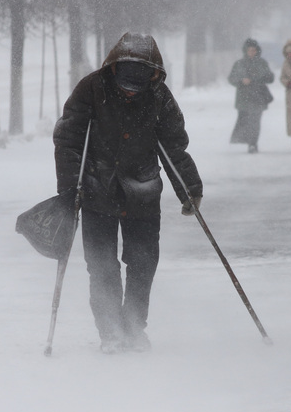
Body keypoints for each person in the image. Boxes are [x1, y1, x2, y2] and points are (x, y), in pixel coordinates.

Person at [53, 32, 203, 354]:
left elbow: (174, 147)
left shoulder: (159, 97)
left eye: (139, 79)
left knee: (142, 264)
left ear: (153, 74)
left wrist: (189, 188)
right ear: (113, 68)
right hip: (96, 192)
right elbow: (68, 140)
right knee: (102, 265)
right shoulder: (91, 89)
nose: (130, 88)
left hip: (143, 193)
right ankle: (111, 332)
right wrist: (69, 190)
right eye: (125, 78)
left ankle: (134, 328)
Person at [228, 38, 275, 153]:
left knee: (255, 121)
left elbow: (270, 78)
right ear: (245, 51)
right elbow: (231, 78)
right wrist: (241, 81)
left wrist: (258, 79)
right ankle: (245, 140)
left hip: (258, 97)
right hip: (243, 98)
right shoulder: (239, 64)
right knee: (244, 120)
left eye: (254, 50)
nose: (252, 52)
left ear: (257, 51)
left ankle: (253, 143)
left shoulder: (262, 63)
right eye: (249, 50)